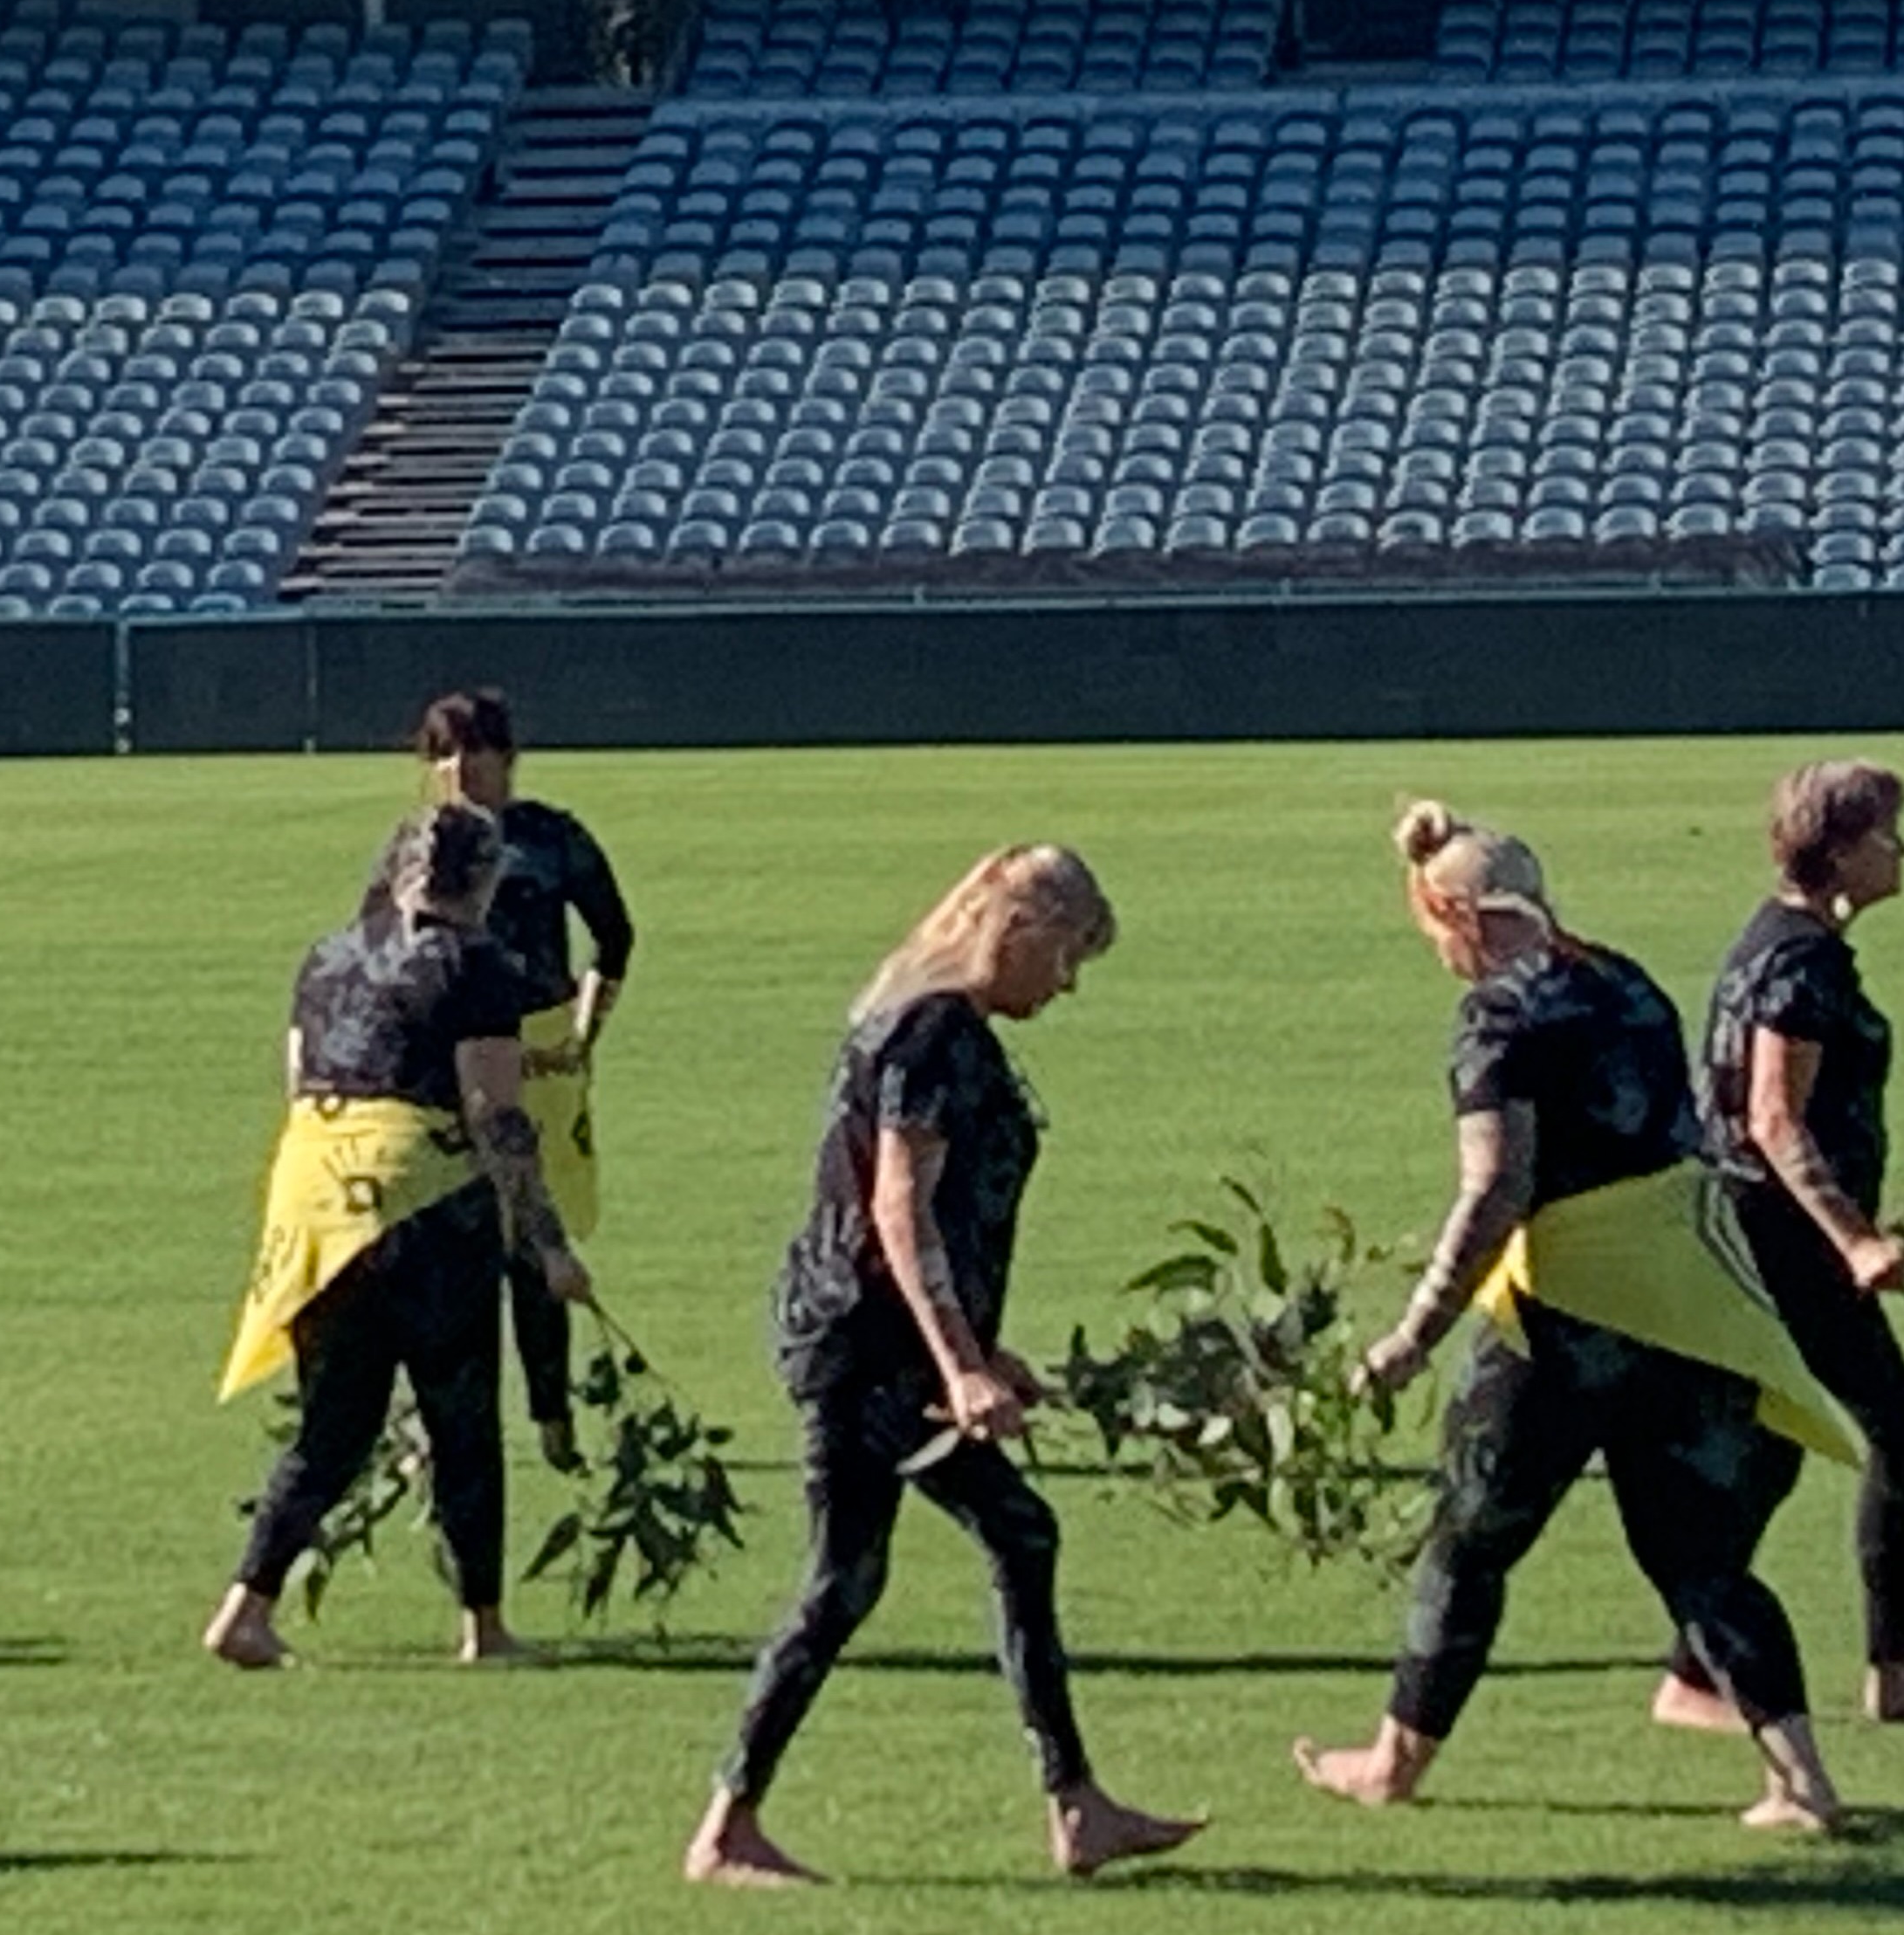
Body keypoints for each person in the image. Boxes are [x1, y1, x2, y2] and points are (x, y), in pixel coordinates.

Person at [1294, 802, 1861, 1832]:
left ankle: (1390, 1765)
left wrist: (1410, 1337)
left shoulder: (1498, 1015)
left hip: (1563, 1318)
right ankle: (1804, 1783)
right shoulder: (1627, 981)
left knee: (1470, 1545)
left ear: (1456, 916)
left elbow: (1494, 1191)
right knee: (1702, 1561)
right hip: (1687, 1304)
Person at [684, 846, 1201, 1887]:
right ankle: (728, 1829)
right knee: (850, 1581)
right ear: (1020, 934)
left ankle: (1076, 1806)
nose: (1068, 984)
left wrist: (985, 1349)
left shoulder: (929, 1020)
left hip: (884, 1342)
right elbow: (895, 1208)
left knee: (998, 1540)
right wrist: (958, 1367)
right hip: (865, 1353)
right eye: (1067, 957)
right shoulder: (932, 1029)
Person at [206, 801, 593, 1669]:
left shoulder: (328, 957)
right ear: (484, 880)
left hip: (317, 1205)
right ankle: (484, 1629)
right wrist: (546, 1241)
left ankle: (246, 1608)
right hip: (422, 1206)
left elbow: (303, 1079)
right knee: (462, 1416)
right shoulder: (476, 965)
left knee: (335, 1424)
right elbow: (498, 1114)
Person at [1654, 759, 1904, 1729]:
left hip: (1756, 1235)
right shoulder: (1802, 963)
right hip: (1787, 1244)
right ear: (1839, 850)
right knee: (1898, 1430)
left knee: (1771, 1449)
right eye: (1888, 833)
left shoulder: (1777, 940)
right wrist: (1855, 1239)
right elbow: (1774, 1120)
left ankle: (1699, 1665)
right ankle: (1886, 1669)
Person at [402, 690, 635, 1476]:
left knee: (538, 1245)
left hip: (535, 1056)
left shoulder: (550, 838)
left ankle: (552, 1412)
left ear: (509, 757)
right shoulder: (413, 851)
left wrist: (584, 1031)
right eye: (442, 752)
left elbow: (615, 935)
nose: (459, 768)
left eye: (474, 749)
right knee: (451, 1242)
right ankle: (441, 1423)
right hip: (445, 1065)